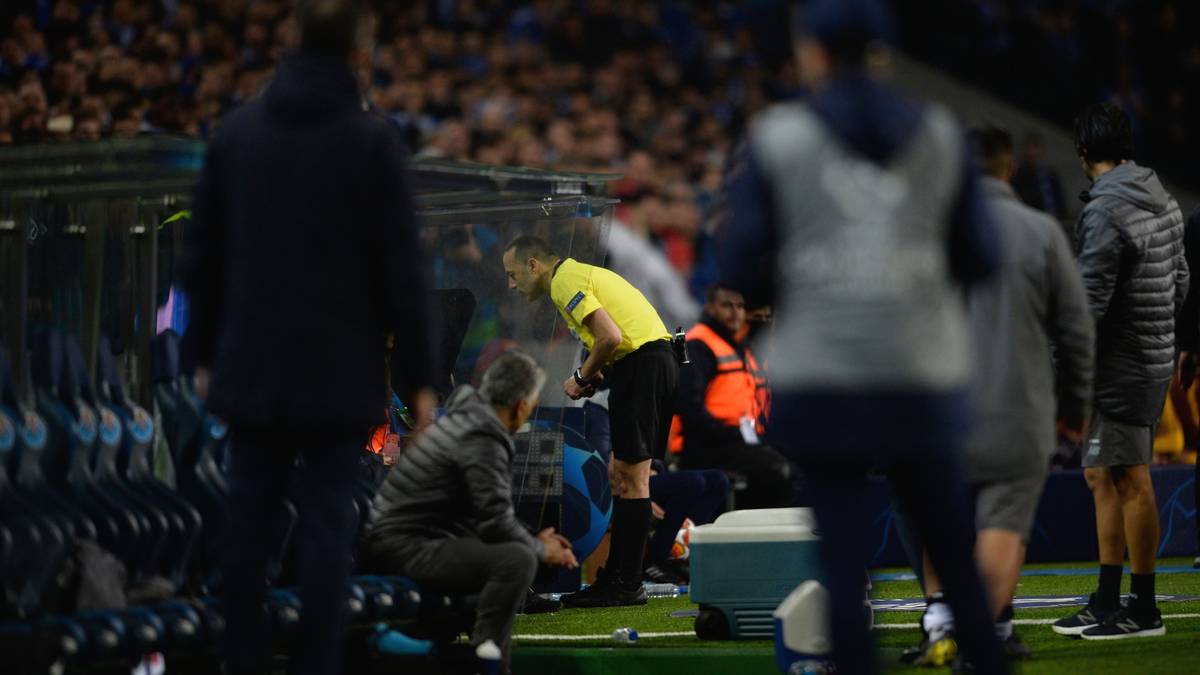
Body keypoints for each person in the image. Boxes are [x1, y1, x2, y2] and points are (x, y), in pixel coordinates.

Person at [718, 0, 1007, 672]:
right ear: (881, 51)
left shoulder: (779, 137)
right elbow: (982, 258)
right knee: (956, 564)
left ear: (811, 51)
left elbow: (737, 268)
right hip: (921, 374)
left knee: (845, 567)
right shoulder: (939, 131)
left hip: (822, 380)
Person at [178, 2, 436, 673]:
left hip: (251, 369)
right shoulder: (373, 142)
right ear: (359, 50)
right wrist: (419, 380)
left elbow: (200, 258)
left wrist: (200, 354)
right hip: (338, 374)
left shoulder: (236, 135)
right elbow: (402, 272)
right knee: (327, 532)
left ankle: (240, 662)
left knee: (247, 532)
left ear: (292, 43)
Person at [904, 127, 1095, 664]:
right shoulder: (1042, 231)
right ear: (1009, 169)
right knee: (1001, 524)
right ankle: (985, 636)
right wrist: (1075, 406)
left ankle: (941, 624)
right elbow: (1078, 332)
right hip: (1018, 411)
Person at [1053, 103, 1188, 640]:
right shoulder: (1165, 199)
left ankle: (1144, 608)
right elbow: (1179, 280)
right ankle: (1109, 597)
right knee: (1101, 474)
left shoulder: (1106, 210)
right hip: (1148, 355)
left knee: (1131, 478)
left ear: (1084, 151)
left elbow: (1089, 303)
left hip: (1119, 364)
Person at [362, 351, 577, 672]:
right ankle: (487, 664)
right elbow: (495, 522)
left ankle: (447, 654)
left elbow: (483, 516)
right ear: (521, 406)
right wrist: (539, 547)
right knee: (518, 559)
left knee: (511, 552)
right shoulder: (483, 434)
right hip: (402, 547)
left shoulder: (466, 418)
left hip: (405, 538)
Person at [503, 234, 679, 608]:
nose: (511, 284)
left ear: (534, 265)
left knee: (632, 480)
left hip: (643, 365)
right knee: (624, 475)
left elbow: (610, 336)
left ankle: (626, 583)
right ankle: (619, 579)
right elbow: (618, 335)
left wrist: (582, 377)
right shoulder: (578, 276)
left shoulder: (565, 280)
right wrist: (600, 373)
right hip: (648, 363)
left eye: (513, 274)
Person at [669, 283, 792, 509]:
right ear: (710, 308)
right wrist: (731, 434)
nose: (736, 312)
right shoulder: (698, 344)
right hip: (705, 445)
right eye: (727, 305)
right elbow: (689, 406)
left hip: (737, 441)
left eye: (740, 306)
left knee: (800, 460)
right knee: (777, 471)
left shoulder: (738, 344)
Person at [1012, 131, 1067, 221]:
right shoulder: (1017, 175)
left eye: (1035, 147)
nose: (1031, 152)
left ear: (1042, 150)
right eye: (1028, 148)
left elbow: (1060, 206)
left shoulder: (1050, 176)